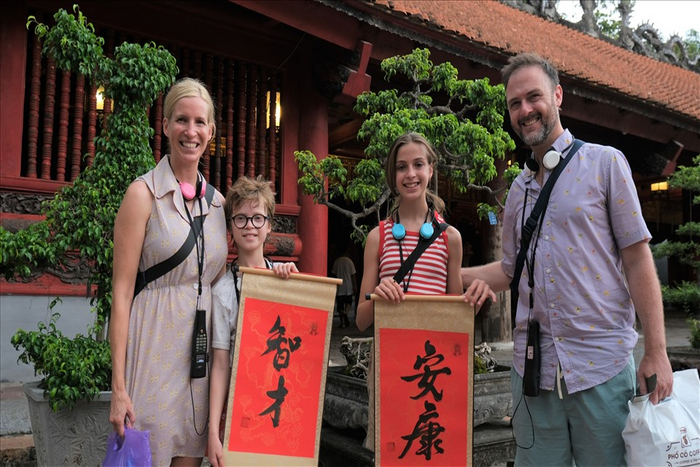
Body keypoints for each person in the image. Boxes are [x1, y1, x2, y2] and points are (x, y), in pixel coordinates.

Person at [460, 52, 673, 465]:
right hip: (532, 373)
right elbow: (509, 269)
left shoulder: (606, 163)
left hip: (602, 368)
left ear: (557, 95)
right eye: (514, 103)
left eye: (533, 97)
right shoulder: (518, 190)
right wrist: (448, 272)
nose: (524, 110)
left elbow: (636, 258)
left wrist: (657, 349)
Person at [109, 77, 228, 466]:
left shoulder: (218, 205)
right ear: (164, 125)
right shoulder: (141, 194)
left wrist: (279, 270)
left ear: (211, 131)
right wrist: (118, 386)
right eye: (181, 120)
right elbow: (122, 293)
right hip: (151, 352)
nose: (190, 132)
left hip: (198, 365)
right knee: (145, 457)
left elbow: (233, 275)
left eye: (199, 123)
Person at [355, 132, 496, 451]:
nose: (410, 174)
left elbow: (456, 322)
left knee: (430, 449)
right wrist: (378, 296)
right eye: (401, 167)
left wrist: (473, 299)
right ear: (393, 175)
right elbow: (362, 320)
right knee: (393, 449)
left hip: (434, 369)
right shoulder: (378, 237)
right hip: (389, 366)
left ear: (431, 169)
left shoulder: (451, 239)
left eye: (418, 164)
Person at [207, 175, 297, 467]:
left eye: (258, 218)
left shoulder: (286, 280)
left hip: (280, 404)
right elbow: (220, 363)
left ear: (269, 225)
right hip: (240, 408)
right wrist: (213, 431)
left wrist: (295, 287)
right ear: (231, 227)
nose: (249, 226)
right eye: (241, 218)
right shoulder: (221, 292)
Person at [332, 245, 356, 328]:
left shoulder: (337, 262)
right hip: (348, 286)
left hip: (339, 287)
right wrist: (355, 285)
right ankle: (346, 313)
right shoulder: (350, 262)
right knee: (349, 302)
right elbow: (353, 275)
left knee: (340, 306)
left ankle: (342, 323)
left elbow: (334, 274)